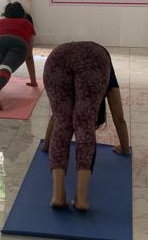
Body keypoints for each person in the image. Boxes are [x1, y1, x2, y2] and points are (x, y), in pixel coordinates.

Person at [40, 41, 131, 212]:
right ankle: (81, 199)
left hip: (56, 58)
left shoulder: (90, 59)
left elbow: (57, 117)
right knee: (84, 123)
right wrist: (125, 149)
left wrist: (46, 146)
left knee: (62, 120)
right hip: (93, 59)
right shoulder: (105, 68)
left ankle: (58, 195)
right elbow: (120, 119)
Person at [0, 2, 39, 111]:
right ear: (22, 14)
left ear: (5, 13)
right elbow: (29, 56)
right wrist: (33, 81)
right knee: (6, 68)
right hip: (18, 44)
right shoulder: (26, 23)